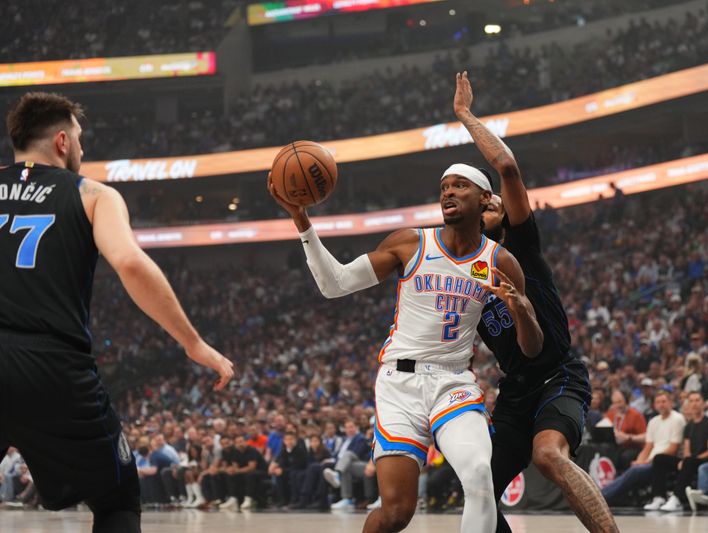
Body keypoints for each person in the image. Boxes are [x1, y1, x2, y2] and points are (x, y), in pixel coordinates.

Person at [269, 72, 542, 533]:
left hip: (454, 382)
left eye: (460, 186)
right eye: (444, 188)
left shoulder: (502, 261)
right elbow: (334, 284)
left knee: (478, 477)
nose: (448, 192)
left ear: (484, 199)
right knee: (396, 512)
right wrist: (301, 220)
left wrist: (521, 310)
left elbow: (532, 348)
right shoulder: (410, 244)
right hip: (399, 382)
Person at [0, 92, 234, 533]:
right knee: (117, 498)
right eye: (82, 140)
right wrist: (193, 343)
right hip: (50, 363)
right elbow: (128, 262)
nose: (85, 151)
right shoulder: (93, 195)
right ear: (63, 141)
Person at [457, 74, 617, 532]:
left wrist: (466, 115)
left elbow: (506, 168)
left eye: (493, 205)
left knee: (548, 455)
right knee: (480, 490)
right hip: (516, 387)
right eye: (480, 205)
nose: (487, 208)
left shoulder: (520, 245)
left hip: (559, 374)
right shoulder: (461, 271)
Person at [601, 391, 685, 507]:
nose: (661, 404)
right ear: (654, 405)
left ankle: (601, 497)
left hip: (665, 461)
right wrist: (639, 461)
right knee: (634, 467)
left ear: (671, 403)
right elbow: (647, 447)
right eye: (658, 402)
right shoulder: (653, 421)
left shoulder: (677, 419)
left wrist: (647, 461)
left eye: (664, 401)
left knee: (634, 471)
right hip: (650, 461)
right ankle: (604, 496)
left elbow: (673, 449)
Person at [647, 391, 708, 512]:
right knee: (659, 458)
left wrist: (690, 460)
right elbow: (687, 449)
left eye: (697, 400)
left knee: (689, 461)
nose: (694, 404)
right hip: (689, 460)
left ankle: (676, 498)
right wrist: (684, 460)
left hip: (704, 460)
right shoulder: (689, 426)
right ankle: (659, 497)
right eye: (691, 401)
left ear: (703, 403)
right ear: (688, 404)